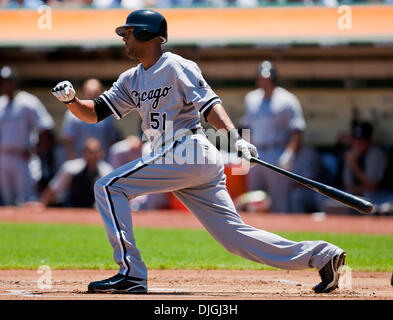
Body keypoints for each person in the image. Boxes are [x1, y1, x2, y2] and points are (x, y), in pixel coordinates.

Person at [51, 9, 346, 294]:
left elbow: (209, 106)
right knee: (234, 237)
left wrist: (235, 139)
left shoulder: (177, 65)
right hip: (180, 160)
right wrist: (71, 101)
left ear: (145, 33)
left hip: (186, 148)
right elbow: (94, 113)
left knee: (108, 185)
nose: (124, 38)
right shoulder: (131, 78)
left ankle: (131, 273)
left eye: (128, 32)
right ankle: (322, 256)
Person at [241, 61, 306, 212]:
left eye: (267, 78)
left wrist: (289, 153)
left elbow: (296, 130)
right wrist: (245, 148)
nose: (264, 81)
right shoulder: (251, 98)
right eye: (261, 78)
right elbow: (247, 127)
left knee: (278, 201)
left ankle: (280, 230)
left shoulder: (287, 99)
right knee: (253, 199)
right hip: (256, 152)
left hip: (278, 151)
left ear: (274, 78)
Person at [0, 65, 54, 206]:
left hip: (22, 157)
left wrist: (36, 150)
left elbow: (45, 128)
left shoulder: (28, 101)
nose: (6, 84)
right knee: (7, 200)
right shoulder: (1, 104)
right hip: (4, 155)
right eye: (3, 81)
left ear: (15, 82)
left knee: (26, 200)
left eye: (9, 81)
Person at [39, 138, 112, 208]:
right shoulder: (71, 168)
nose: (92, 156)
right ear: (84, 153)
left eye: (95, 152)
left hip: (96, 211)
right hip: (72, 208)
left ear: (101, 153)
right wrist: (42, 204)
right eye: (90, 152)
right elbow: (53, 189)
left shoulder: (107, 171)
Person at [61, 78, 119, 160]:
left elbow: (112, 139)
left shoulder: (108, 113)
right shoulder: (72, 112)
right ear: (85, 92)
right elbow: (68, 140)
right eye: (90, 93)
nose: (92, 95)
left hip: (102, 161)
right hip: (80, 161)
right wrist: (73, 160)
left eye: (95, 93)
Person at [342, 121, 391, 207]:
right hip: (360, 195)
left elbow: (371, 186)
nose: (357, 143)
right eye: (356, 139)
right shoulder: (351, 153)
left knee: (369, 199)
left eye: (361, 140)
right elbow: (348, 186)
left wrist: (353, 164)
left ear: (369, 140)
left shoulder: (375, 154)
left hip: (381, 195)